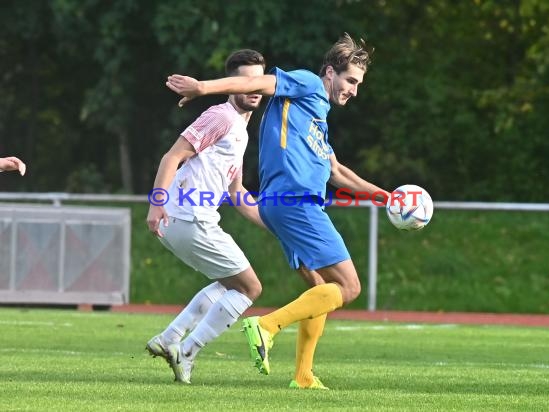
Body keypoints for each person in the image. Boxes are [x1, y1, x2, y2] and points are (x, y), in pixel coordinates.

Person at [166, 33, 391, 390]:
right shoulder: (307, 84)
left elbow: (337, 173)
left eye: (358, 84)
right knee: (348, 287)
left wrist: (387, 198)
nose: (354, 90)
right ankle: (266, 326)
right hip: (297, 202)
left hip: (280, 205)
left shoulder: (317, 117)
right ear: (330, 72)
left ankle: (303, 375)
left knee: (318, 288)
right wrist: (202, 87)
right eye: (350, 80)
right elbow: (256, 82)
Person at [145, 49, 267, 384]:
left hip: (187, 219)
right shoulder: (222, 117)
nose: (254, 87)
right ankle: (187, 351)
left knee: (230, 284)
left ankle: (170, 339)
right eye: (244, 80)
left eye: (258, 80)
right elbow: (171, 158)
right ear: (230, 84)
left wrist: (274, 224)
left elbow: (237, 193)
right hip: (188, 217)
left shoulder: (240, 129)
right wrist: (156, 205)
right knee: (250, 288)